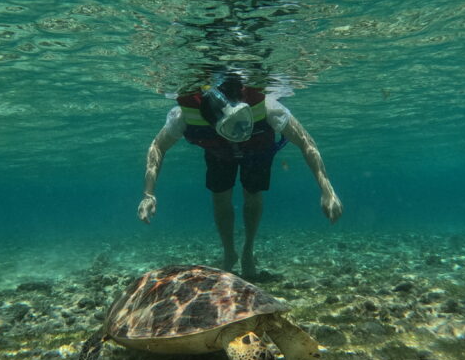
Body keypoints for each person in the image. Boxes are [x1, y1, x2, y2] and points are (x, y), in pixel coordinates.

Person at [137, 73, 342, 279]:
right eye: (230, 127)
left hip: (257, 150)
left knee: (252, 194)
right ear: (213, 124)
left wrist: (327, 190)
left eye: (243, 121)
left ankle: (247, 251)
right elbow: (157, 146)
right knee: (220, 197)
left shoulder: (269, 108)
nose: (240, 132)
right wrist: (148, 194)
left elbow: (307, 143)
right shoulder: (183, 116)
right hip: (219, 153)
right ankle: (229, 252)